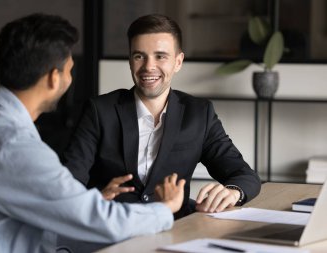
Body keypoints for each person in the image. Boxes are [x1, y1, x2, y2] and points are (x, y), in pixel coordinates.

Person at [0, 13, 186, 253]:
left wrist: (83, 204)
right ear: (54, 77)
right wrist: (165, 208)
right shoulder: (13, 144)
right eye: (70, 71)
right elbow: (101, 222)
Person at [64, 14, 261, 219]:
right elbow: (68, 184)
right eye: (139, 56)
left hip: (175, 228)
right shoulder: (99, 111)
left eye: (160, 56)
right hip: (114, 227)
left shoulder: (199, 113)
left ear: (178, 62)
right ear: (130, 61)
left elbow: (245, 175)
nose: (149, 66)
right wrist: (96, 199)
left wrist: (232, 192)